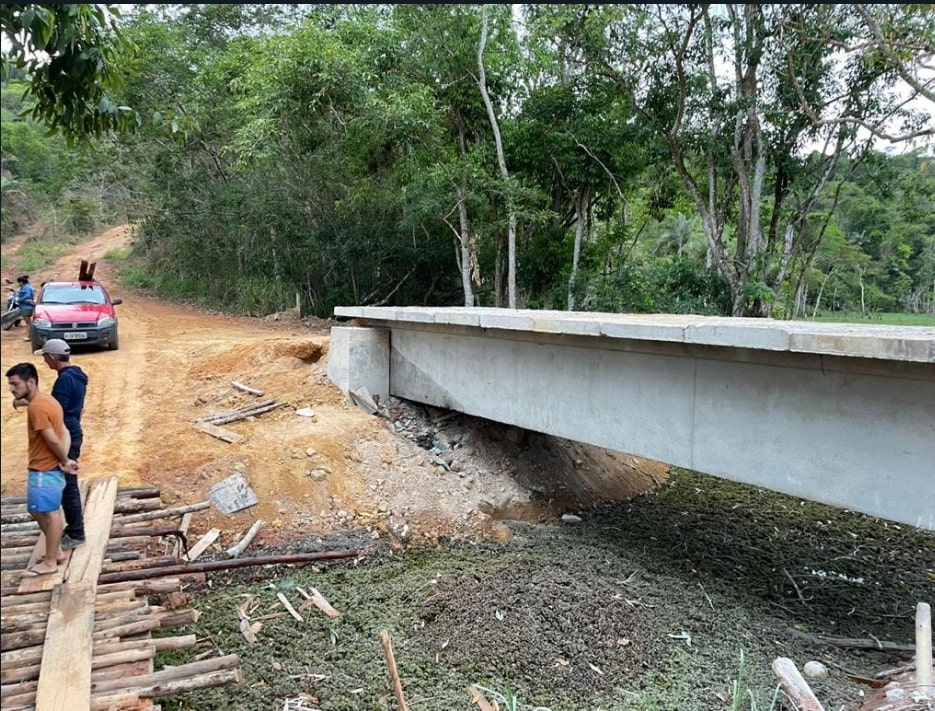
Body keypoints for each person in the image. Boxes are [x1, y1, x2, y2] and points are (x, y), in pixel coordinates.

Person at [6, 362, 79, 576]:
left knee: (50, 513)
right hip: (49, 467)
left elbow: (52, 439)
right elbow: (64, 431)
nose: (11, 389)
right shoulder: (49, 401)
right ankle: (56, 552)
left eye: (15, 384)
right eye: (10, 384)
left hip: (44, 469)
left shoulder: (37, 407)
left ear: (31, 382)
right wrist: (65, 460)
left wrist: (64, 460)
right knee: (37, 509)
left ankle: (50, 562)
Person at [34, 338, 88, 549]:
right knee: (66, 483)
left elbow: (56, 412)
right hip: (72, 429)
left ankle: (76, 533)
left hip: (66, 433)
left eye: (45, 357)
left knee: (67, 485)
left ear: (52, 357)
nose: (45, 361)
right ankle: (73, 528)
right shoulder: (76, 375)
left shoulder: (64, 380)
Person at [13, 275, 35, 341]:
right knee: (29, 323)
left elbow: (27, 295)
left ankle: (29, 337)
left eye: (19, 283)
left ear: (21, 282)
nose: (19, 284)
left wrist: (20, 300)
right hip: (28, 307)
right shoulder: (29, 287)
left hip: (26, 307)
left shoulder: (26, 288)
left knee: (28, 323)